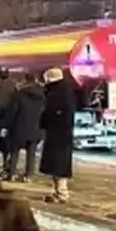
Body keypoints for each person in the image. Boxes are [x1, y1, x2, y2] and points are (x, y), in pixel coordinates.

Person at [39, 67, 77, 204]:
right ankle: (57, 191)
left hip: (59, 134)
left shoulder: (58, 92)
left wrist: (45, 121)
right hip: (59, 134)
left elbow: (53, 111)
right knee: (56, 165)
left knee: (58, 165)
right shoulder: (63, 90)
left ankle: (61, 193)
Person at [1, 73, 45, 182]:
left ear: (25, 81)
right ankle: (28, 175)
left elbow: (12, 112)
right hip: (36, 129)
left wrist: (6, 126)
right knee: (31, 154)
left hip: (19, 128)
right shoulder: (42, 97)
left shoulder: (19, 95)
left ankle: (12, 173)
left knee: (14, 151)